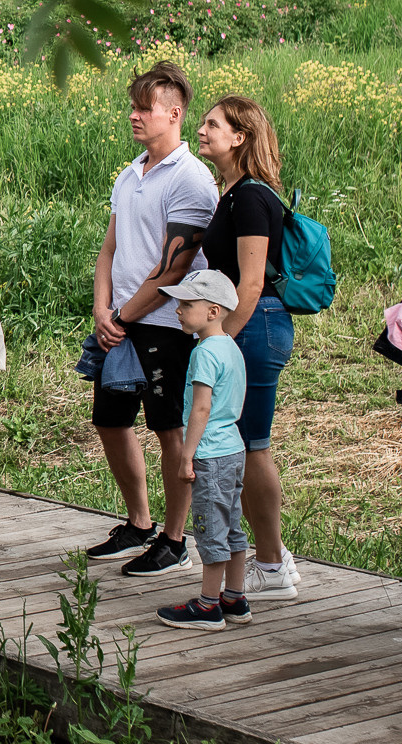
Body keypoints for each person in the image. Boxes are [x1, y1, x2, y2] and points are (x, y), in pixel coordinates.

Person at [84, 61, 220, 579]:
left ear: (174, 113)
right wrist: (103, 310)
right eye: (133, 106)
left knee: (170, 430)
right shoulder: (130, 171)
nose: (135, 115)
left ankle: (174, 538)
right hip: (120, 321)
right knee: (110, 421)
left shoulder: (190, 178)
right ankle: (139, 523)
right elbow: (110, 248)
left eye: (145, 108)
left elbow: (175, 264)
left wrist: (122, 314)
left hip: (166, 324)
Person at [193, 96, 302, 601]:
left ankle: (272, 564)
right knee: (247, 443)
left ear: (240, 137)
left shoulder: (252, 199)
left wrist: (222, 344)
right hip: (249, 325)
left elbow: (252, 283)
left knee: (251, 444)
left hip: (253, 325)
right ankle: (270, 557)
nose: (202, 128)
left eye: (212, 124)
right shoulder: (232, 193)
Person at [151, 269, 251, 631]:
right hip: (234, 450)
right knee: (232, 525)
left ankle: (209, 605)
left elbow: (201, 408)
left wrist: (186, 454)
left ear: (213, 311)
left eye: (187, 304)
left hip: (209, 452)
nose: (178, 310)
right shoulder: (231, 348)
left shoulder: (204, 353)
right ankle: (234, 597)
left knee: (210, 528)